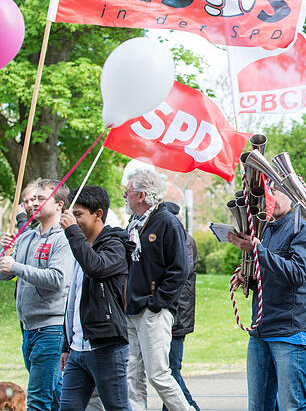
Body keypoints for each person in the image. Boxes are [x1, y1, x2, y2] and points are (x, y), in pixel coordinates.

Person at [227, 183, 306, 411]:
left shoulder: (303, 227)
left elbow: (298, 274)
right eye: (266, 193)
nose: (269, 197)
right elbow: (271, 273)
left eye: (274, 191)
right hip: (261, 330)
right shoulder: (266, 228)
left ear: (291, 194)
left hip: (289, 331)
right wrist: (248, 277)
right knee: (258, 405)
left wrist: (256, 250)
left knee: (293, 405)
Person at [57, 186, 134, 411]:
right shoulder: (81, 247)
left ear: (98, 214)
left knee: (117, 407)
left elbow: (96, 267)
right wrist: (66, 344)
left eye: (78, 214)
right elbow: (74, 300)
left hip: (107, 346)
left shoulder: (115, 244)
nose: (73, 220)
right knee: (68, 408)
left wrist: (72, 231)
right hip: (77, 349)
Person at [0, 179, 73, 411]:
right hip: (28, 328)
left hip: (50, 328)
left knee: (38, 398)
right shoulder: (27, 237)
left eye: (41, 199)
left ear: (59, 205)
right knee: (52, 394)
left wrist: (15, 267)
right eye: (33, 200)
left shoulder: (62, 239)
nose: (34, 204)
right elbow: (5, 275)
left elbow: (58, 279)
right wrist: (5, 253)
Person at [123, 170, 192, 411]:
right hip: (132, 308)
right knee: (132, 376)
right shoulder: (134, 224)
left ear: (141, 195)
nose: (125, 196)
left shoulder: (167, 223)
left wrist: (157, 302)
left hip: (153, 310)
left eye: (128, 192)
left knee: (158, 375)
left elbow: (180, 269)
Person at [163, 202, 200, 411]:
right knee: (166, 371)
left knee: (170, 371)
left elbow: (178, 274)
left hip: (177, 315)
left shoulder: (183, 240)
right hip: (174, 312)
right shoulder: (176, 238)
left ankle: (190, 407)